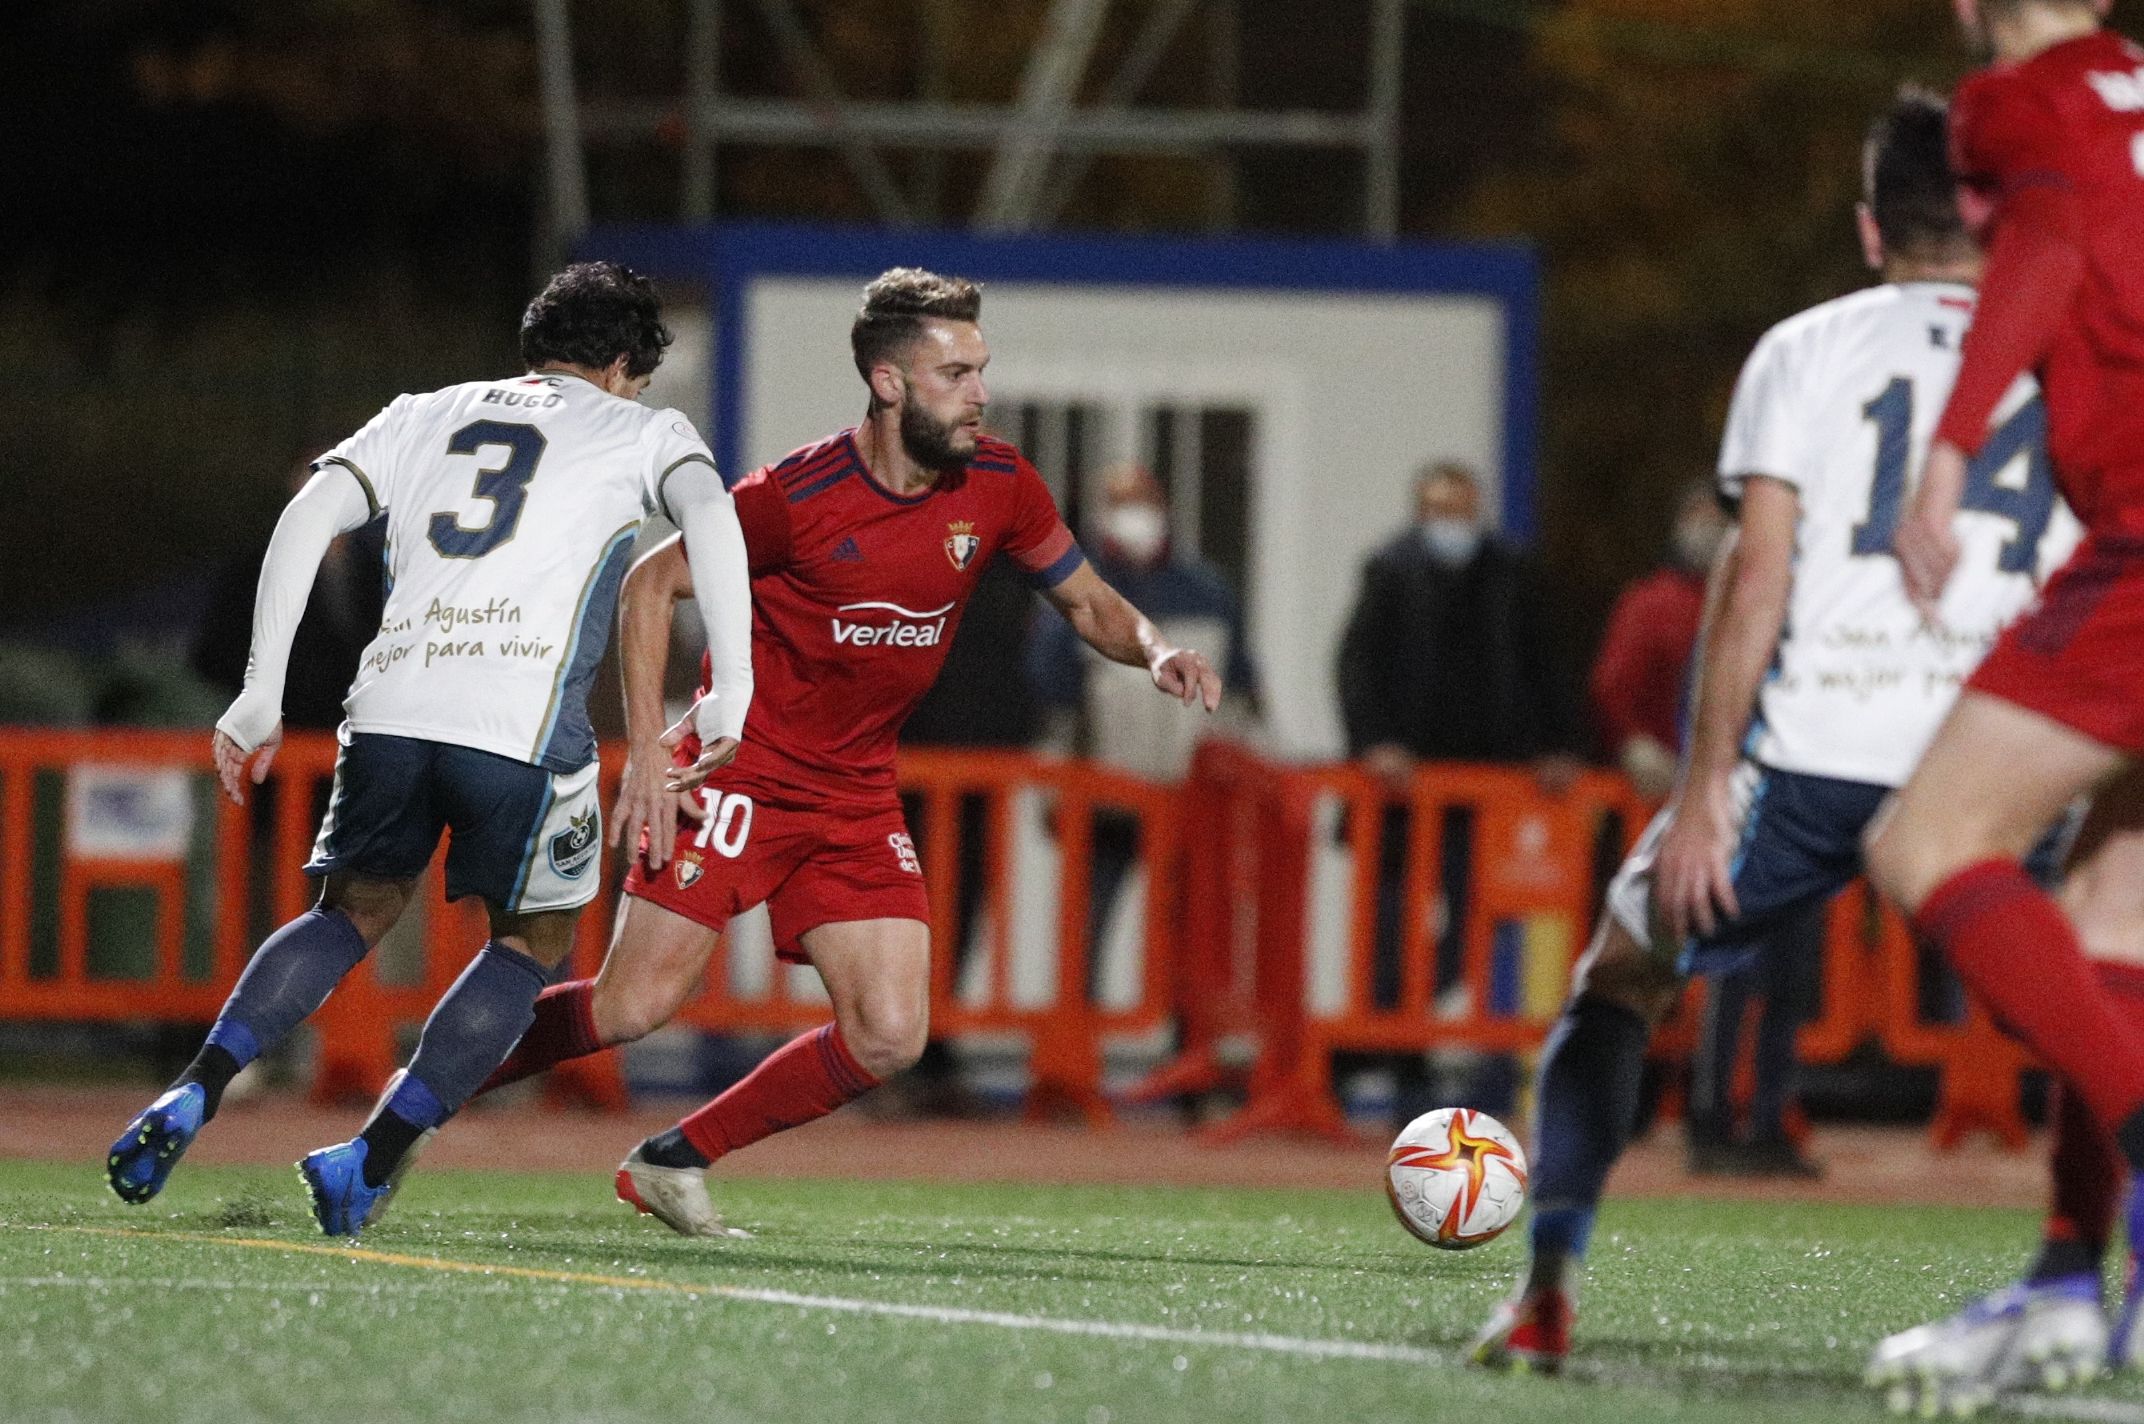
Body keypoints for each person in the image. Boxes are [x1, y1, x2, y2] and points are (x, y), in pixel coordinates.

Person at [1470, 88, 2076, 1375]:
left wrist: (1700, 794)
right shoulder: (2069, 345)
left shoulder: (1805, 347)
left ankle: (1545, 1286)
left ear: (1870, 229)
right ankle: (2082, 1283)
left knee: (1617, 972)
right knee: (2102, 1019)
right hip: (2006, 758)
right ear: (1990, 212)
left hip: (1814, 757)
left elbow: (1753, 583)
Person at [467, 268, 1223, 1236]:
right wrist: (653, 744)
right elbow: (651, 583)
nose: (979, 392)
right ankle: (427, 1086)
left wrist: (1154, 647)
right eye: (954, 372)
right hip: (739, 768)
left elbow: (1084, 599)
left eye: (980, 368)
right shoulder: (794, 494)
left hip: (854, 789)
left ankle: (670, 1158)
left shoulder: (997, 484)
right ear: (888, 382)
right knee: (628, 1009)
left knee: (889, 1031)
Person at [103, 261, 754, 1237]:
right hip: (522, 729)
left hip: (391, 708)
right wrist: (731, 684)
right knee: (529, 943)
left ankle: (195, 1087)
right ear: (625, 363)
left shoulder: (424, 409)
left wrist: (259, 688)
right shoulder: (643, 428)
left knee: (347, 912)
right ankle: (368, 1157)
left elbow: (308, 512)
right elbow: (713, 514)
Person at [1861, 0, 2144, 1408]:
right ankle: (2066, 1286)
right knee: (2110, 923)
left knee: (1925, 845)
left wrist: (1953, 446)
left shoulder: (2014, 104)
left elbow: (2041, 252)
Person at [1335, 459, 1586, 1121]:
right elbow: (1357, 664)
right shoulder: (1388, 571)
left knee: (1468, 939)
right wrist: (1376, 744)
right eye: (1441, 510)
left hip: (1486, 795)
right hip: (1400, 801)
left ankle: (1368, 1054)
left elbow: (1544, 662)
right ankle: (1398, 1077)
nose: (1454, 523)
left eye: (1463, 509)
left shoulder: (1511, 574)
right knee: (1390, 936)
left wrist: (1558, 745)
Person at [1027, 461, 1259, 995]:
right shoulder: (1077, 592)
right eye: (1121, 502)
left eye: (1144, 500)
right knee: (1085, 928)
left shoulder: (1208, 592)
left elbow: (1240, 692)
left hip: (1189, 796)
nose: (1135, 515)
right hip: (1104, 797)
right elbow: (1053, 700)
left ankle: (1189, 1056)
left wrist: (1237, 778)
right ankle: (1077, 1050)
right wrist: (1053, 787)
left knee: (1193, 932)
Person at [1588, 480, 1722, 802]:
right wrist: (1633, 743)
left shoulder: (1748, 605)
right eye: (1696, 517)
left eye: (1717, 519)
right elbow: (1611, 687)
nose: (1707, 528)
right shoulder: (1650, 602)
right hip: (1659, 782)